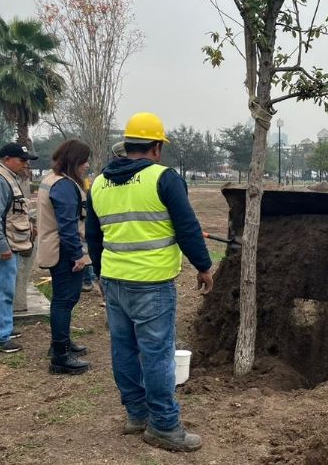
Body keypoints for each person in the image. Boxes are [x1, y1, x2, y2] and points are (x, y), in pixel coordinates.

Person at [87, 112, 213, 452]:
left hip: (114, 280)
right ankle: (164, 426)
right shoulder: (164, 178)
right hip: (152, 283)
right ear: (156, 148)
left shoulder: (98, 182)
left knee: (124, 349)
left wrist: (100, 275)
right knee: (157, 356)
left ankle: (136, 414)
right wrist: (203, 266)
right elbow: (186, 227)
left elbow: (93, 237)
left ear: (126, 146)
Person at [0, 143, 38, 353]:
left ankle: (2, 328)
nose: (25, 164)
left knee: (4, 289)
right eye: (21, 160)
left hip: (6, 244)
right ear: (7, 158)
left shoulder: (6, 177)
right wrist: (1, 246)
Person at [37, 140, 93, 375]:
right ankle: (60, 355)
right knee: (64, 300)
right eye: (84, 161)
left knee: (65, 300)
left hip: (56, 249)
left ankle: (61, 343)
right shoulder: (64, 186)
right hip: (64, 252)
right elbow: (68, 226)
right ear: (74, 161)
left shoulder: (52, 180)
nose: (87, 165)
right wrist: (78, 255)